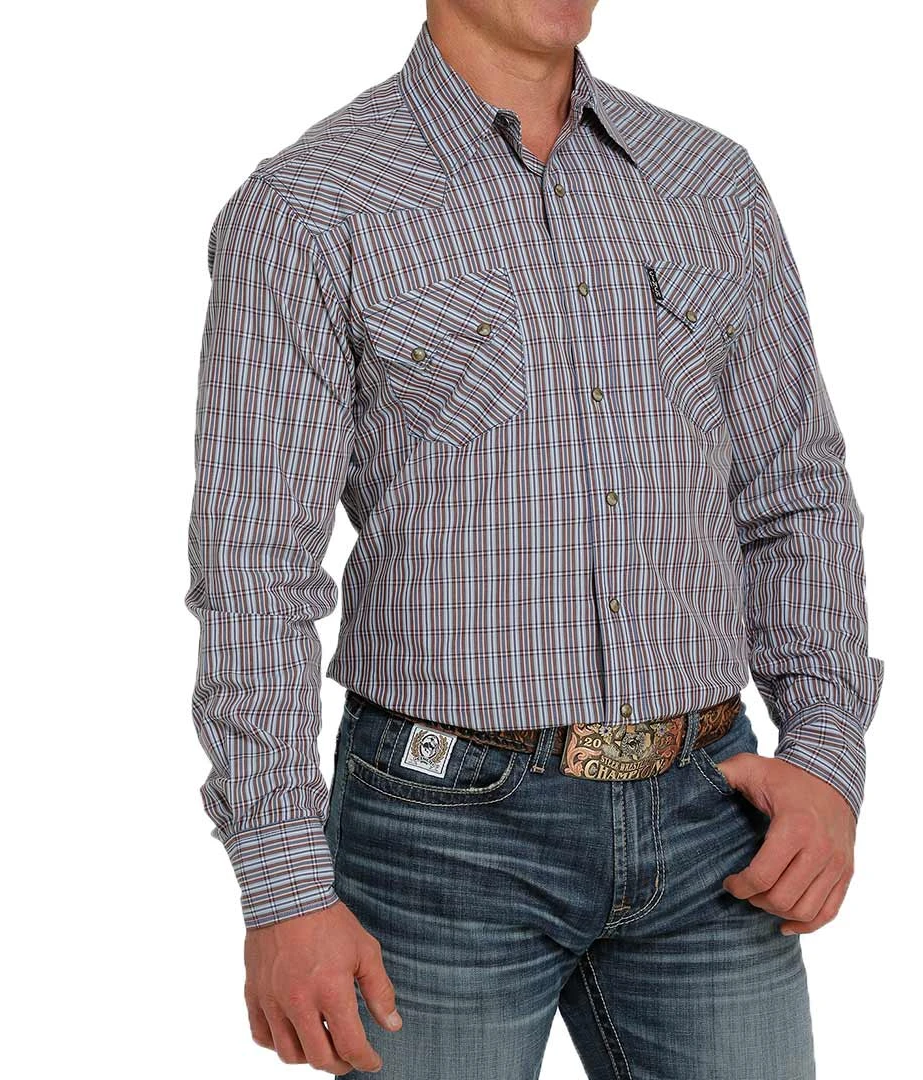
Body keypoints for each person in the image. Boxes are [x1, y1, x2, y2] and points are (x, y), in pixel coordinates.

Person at [184, 3, 884, 1077]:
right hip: (438, 834)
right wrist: (282, 886)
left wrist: (827, 755)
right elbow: (255, 571)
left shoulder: (711, 184)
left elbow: (796, 492)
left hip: (713, 821)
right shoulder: (310, 209)